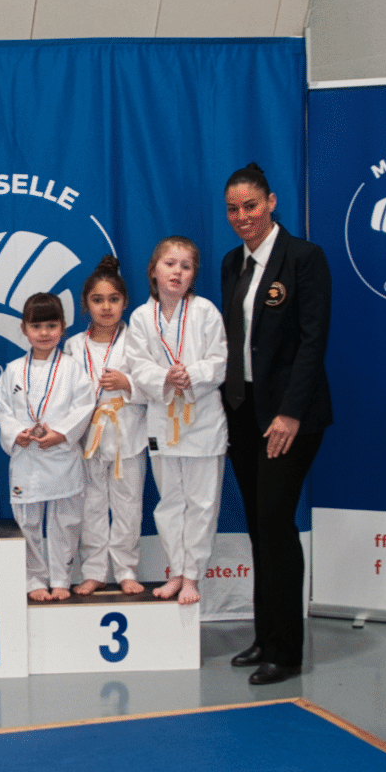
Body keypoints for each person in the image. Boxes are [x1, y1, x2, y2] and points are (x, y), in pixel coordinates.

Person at [217, 163, 332, 686]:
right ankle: (265, 636)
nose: (242, 216)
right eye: (233, 209)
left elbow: (313, 341)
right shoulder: (231, 263)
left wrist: (290, 412)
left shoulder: (304, 258)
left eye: (251, 206)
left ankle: (286, 652)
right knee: (260, 527)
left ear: (271, 202)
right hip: (243, 412)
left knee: (276, 523)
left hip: (287, 415)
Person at [125, 236, 228, 608]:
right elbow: (137, 365)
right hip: (163, 419)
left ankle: (192, 575)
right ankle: (176, 570)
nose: (177, 272)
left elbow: (220, 360)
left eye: (186, 266)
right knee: (170, 502)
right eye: (170, 263)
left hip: (202, 420)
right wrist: (166, 377)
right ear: (153, 270)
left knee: (201, 503)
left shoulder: (206, 312)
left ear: (193, 276)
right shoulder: (141, 318)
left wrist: (192, 375)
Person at [0, 293, 95, 600]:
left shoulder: (73, 368)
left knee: (67, 520)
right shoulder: (13, 369)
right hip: (27, 456)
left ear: (63, 327)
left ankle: (62, 578)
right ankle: (34, 579)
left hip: (62, 454)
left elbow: (84, 406)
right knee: (27, 521)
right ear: (24, 329)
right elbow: (3, 410)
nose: (44, 332)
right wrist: (16, 433)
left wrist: (61, 433)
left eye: (51, 325)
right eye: (36, 326)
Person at [65, 256, 148, 596]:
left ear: (125, 302)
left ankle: (126, 569)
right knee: (91, 506)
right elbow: (65, 392)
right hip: (88, 436)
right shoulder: (73, 345)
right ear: (86, 304)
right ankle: (95, 570)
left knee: (128, 505)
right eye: (97, 300)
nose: (106, 307)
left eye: (114, 299)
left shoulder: (137, 341)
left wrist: (128, 384)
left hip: (128, 432)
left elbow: (153, 384)